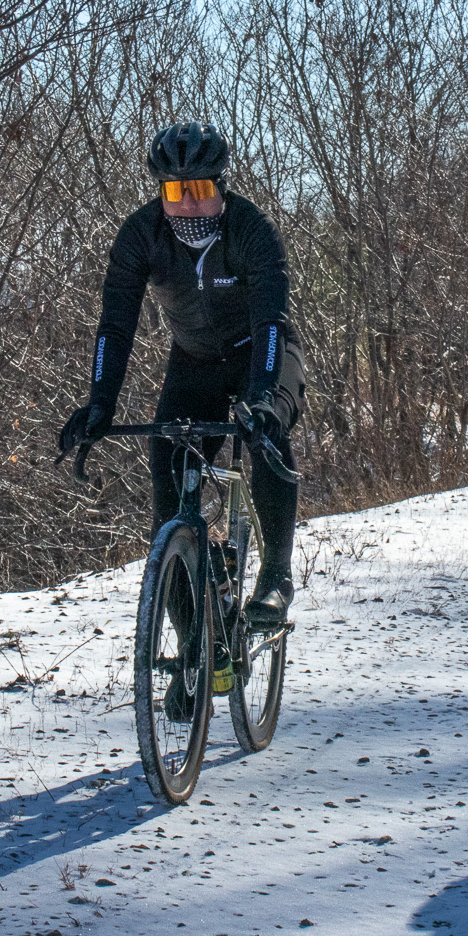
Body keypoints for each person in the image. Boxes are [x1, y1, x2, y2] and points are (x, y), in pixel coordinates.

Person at [58, 121, 307, 632]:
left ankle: (276, 577)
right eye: (175, 192)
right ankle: (194, 645)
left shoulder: (252, 230)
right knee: (168, 489)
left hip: (262, 351)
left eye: (198, 189)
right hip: (194, 362)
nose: (188, 204)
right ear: (161, 194)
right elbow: (115, 326)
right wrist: (100, 403)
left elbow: (270, 322)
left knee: (268, 437)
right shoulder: (141, 234)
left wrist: (264, 399)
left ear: (220, 186)